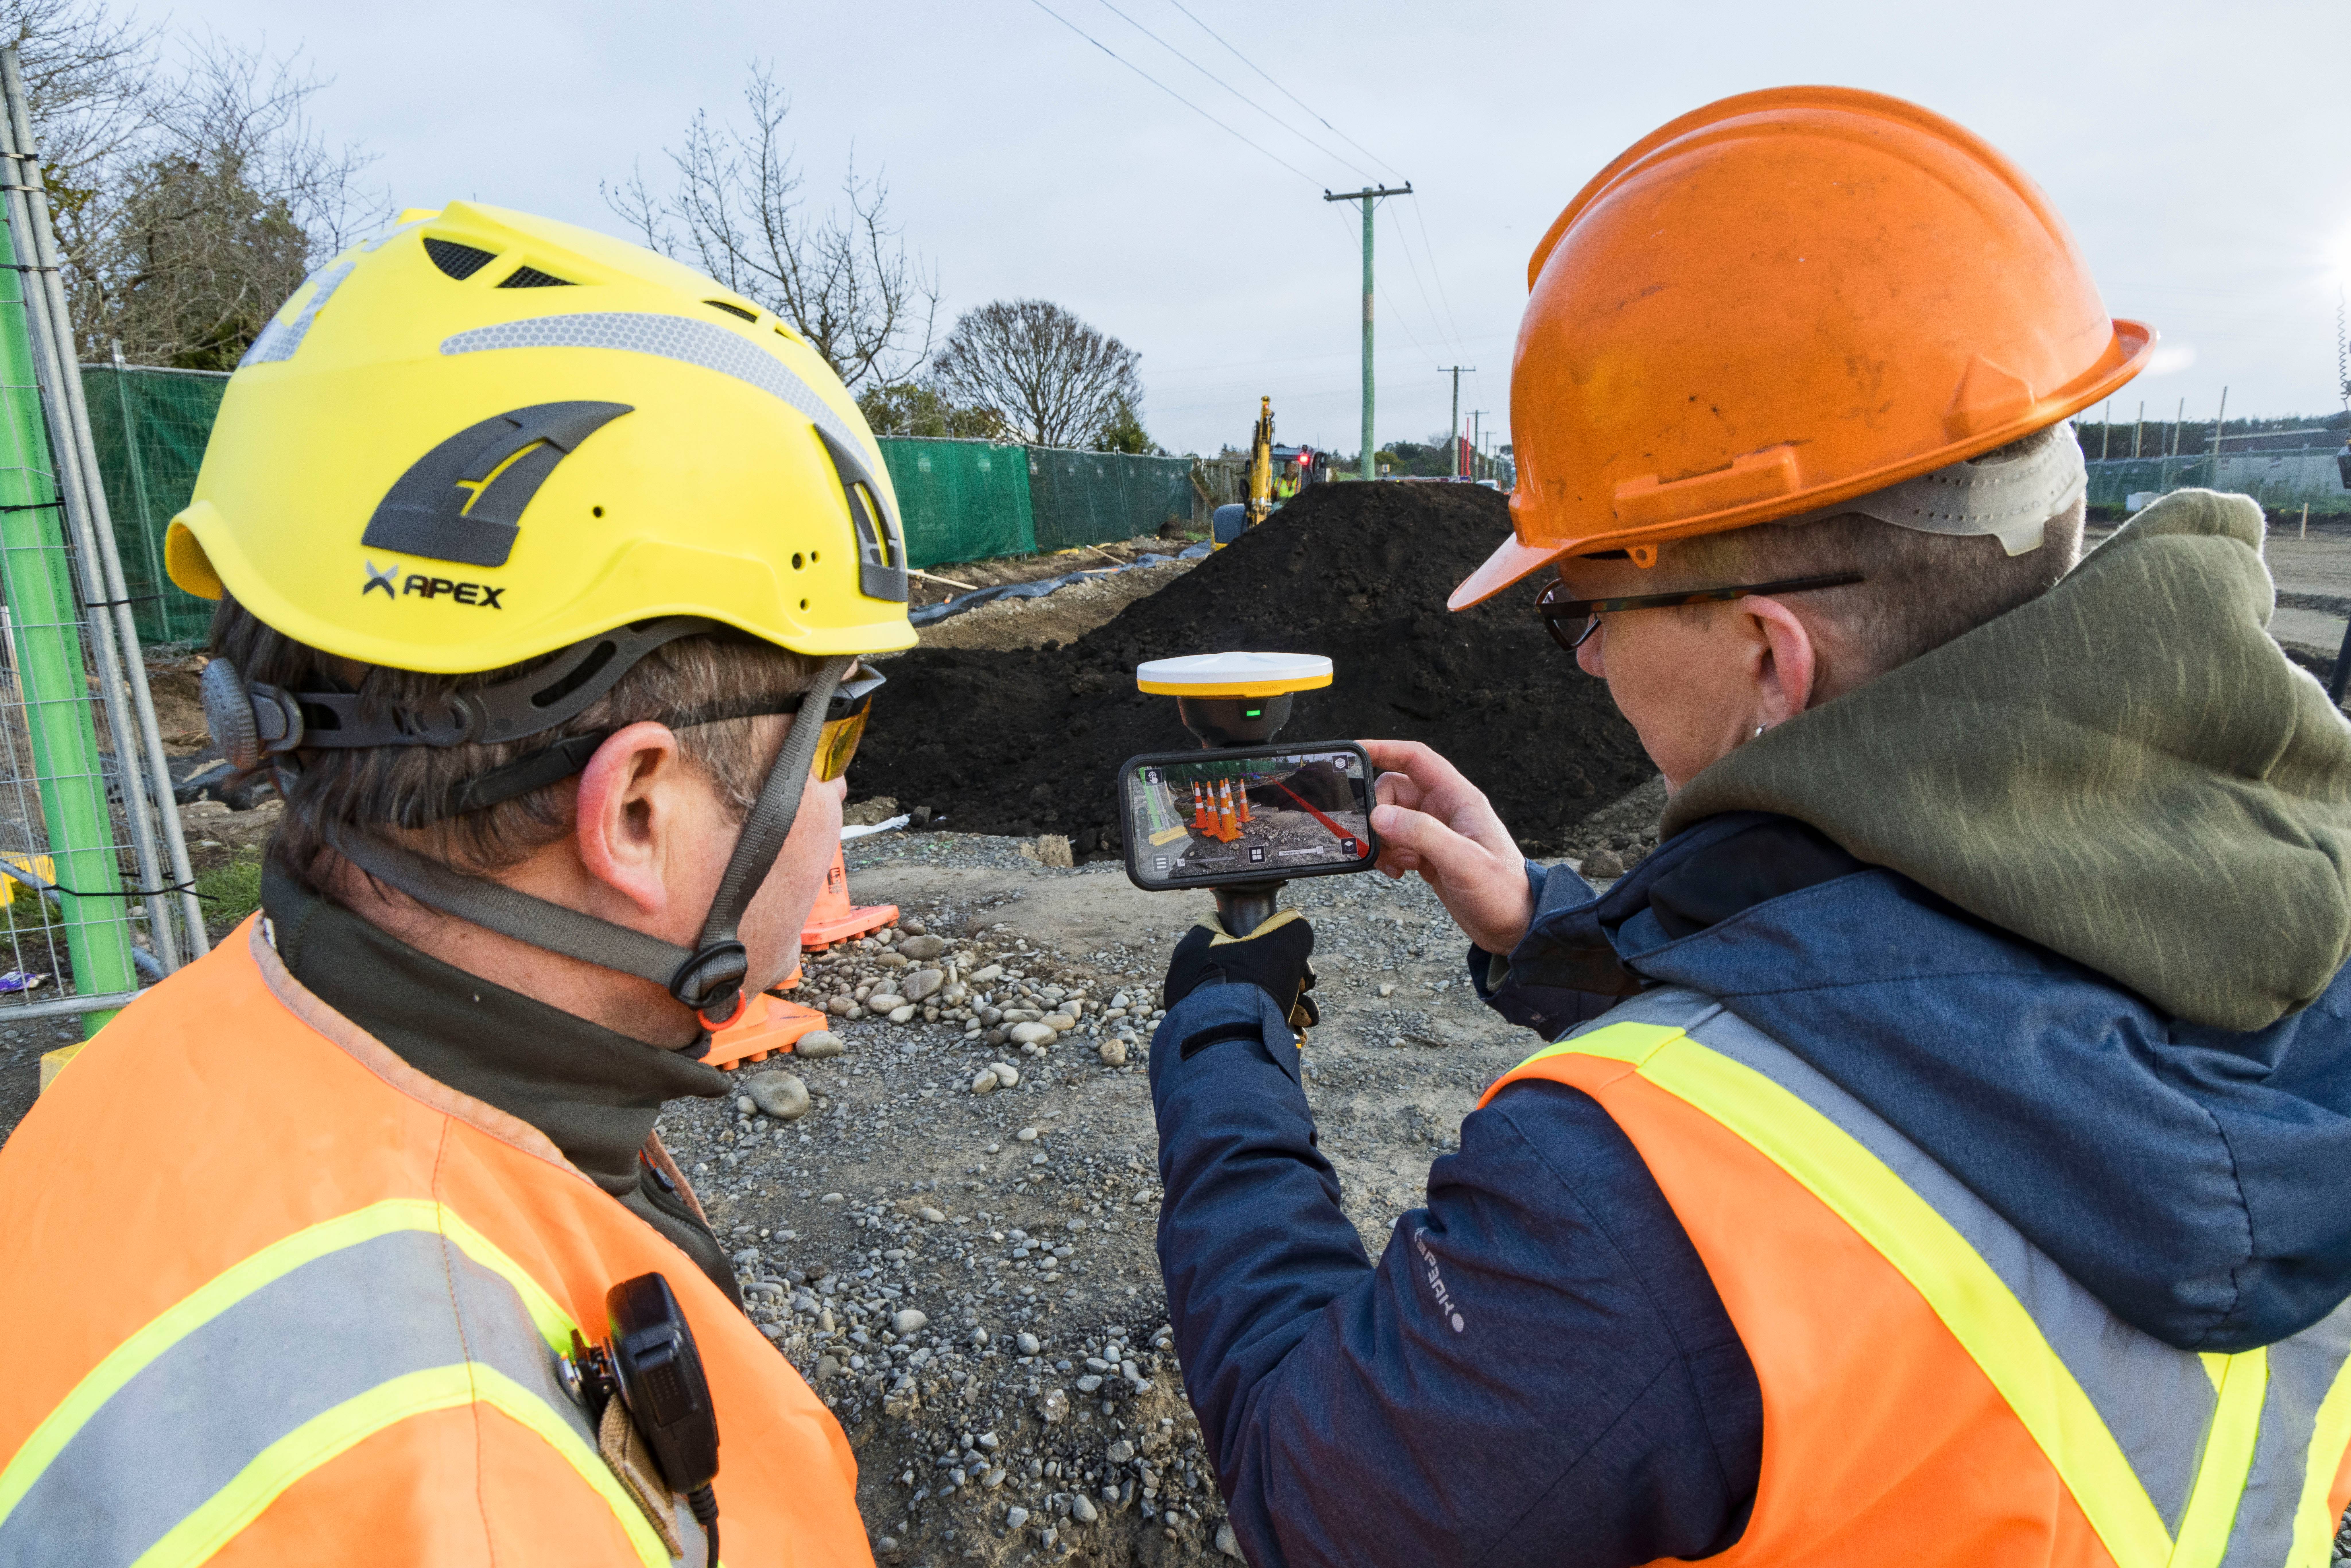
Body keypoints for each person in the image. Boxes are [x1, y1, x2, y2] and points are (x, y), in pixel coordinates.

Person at [1147, 87, 2351, 1568]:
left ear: (1772, 662)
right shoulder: (2294, 914)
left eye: (1581, 608)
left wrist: (1218, 1052)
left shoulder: (1623, 1198)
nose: (1579, 655)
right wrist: (1550, 926)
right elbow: (1934, 995)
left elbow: (1313, 1492)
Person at [0, 203, 914, 1564]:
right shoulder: (480, 1496)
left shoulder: (202, 1042)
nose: (838, 791)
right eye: (836, 728)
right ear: (641, 810)